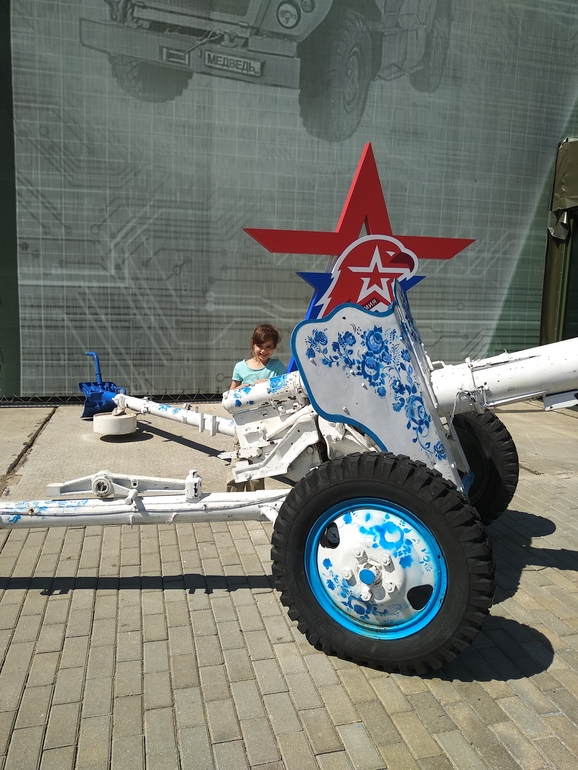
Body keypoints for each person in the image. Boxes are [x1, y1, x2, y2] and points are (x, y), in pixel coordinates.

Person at [226, 324, 287, 492]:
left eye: (269, 347)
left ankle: (256, 496)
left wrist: (269, 384)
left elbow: (284, 389)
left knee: (259, 459)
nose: (264, 350)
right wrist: (241, 389)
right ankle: (232, 496)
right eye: (260, 346)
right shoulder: (241, 367)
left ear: (274, 347)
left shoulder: (277, 367)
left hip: (265, 423)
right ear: (253, 344)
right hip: (243, 422)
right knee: (239, 458)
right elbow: (230, 394)